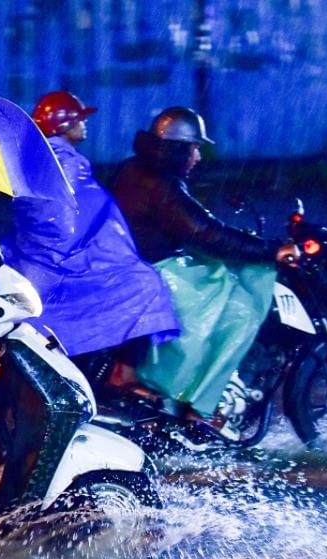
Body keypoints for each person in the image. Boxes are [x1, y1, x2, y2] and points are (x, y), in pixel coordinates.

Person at [0, 91, 179, 397]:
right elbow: (67, 222)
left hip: (33, 261)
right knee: (145, 283)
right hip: (62, 265)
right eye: (79, 120)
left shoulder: (34, 158)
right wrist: (86, 250)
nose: (84, 125)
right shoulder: (66, 162)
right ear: (65, 125)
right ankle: (121, 375)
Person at [111, 107, 300, 435]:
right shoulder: (163, 183)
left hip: (132, 262)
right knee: (240, 308)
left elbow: (195, 227)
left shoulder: (134, 168)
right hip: (157, 268)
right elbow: (205, 233)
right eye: (195, 148)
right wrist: (272, 250)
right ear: (179, 148)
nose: (198, 156)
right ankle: (198, 404)